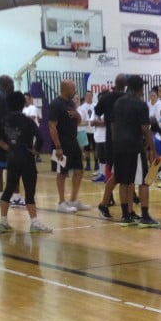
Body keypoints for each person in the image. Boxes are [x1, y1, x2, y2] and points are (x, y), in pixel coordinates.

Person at [0, 91, 51, 234]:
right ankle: (34, 223)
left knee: (9, 188)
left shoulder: (4, 120)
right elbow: (41, 139)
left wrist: (7, 147)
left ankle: (3, 221)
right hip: (26, 157)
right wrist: (35, 151)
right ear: (22, 104)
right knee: (29, 190)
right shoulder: (27, 121)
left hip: (12, 156)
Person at [110, 75, 159, 226]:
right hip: (134, 146)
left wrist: (116, 141)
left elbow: (112, 124)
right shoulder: (140, 104)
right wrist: (153, 150)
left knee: (124, 181)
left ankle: (126, 216)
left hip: (118, 145)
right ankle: (145, 216)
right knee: (144, 181)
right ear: (139, 88)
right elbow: (145, 129)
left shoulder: (118, 103)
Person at [49, 79, 87, 213]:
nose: (74, 91)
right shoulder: (56, 104)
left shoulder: (71, 103)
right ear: (65, 89)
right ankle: (61, 202)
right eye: (72, 89)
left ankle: (73, 200)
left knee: (79, 170)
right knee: (62, 173)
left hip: (73, 141)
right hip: (62, 143)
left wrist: (77, 115)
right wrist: (58, 146)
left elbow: (78, 121)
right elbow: (52, 126)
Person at [95, 75, 127, 216]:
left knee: (116, 174)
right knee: (122, 175)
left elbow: (97, 112)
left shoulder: (106, 97)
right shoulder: (127, 99)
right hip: (124, 140)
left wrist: (105, 121)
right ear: (125, 85)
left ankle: (113, 203)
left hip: (110, 140)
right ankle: (124, 209)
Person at [0, 74, 22, 204]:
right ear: (7, 85)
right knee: (14, 167)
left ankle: (1, 194)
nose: (13, 86)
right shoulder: (8, 99)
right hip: (9, 135)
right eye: (12, 84)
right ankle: (16, 196)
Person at [77, 90, 95, 171]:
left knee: (95, 148)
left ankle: (97, 163)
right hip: (85, 131)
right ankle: (87, 164)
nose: (89, 97)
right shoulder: (82, 107)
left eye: (90, 95)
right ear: (85, 97)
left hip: (94, 130)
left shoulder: (95, 105)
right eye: (87, 95)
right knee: (86, 149)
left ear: (92, 96)